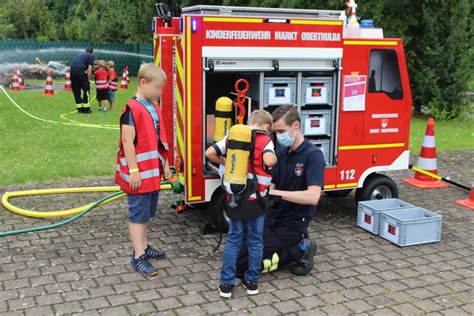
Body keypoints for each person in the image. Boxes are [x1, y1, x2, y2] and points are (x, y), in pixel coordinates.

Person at [236, 105, 325, 277]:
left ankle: (299, 250)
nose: (278, 136)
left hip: (292, 223)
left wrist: (276, 194)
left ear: (296, 126)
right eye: (275, 132)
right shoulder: (282, 152)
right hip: (274, 216)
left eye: (281, 131)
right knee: (238, 245)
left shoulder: (313, 155)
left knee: (242, 267)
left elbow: (314, 197)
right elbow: (273, 185)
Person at [206, 110, 277, 299]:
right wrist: (272, 159)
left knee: (234, 241)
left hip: (235, 198)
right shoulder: (265, 140)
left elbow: (209, 153)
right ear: (266, 127)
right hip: (257, 201)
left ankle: (226, 284)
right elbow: (269, 160)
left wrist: (226, 161)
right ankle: (252, 281)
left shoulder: (233, 136)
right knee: (255, 241)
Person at [115, 63, 172, 276]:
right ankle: (138, 256)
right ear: (143, 83)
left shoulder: (153, 106)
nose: (159, 93)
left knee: (147, 213)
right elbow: (128, 142)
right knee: (138, 214)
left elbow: (158, 140)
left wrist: (165, 164)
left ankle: (145, 246)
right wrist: (133, 170)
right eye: (157, 88)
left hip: (152, 175)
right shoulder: (131, 110)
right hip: (139, 175)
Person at [70, 47, 94, 113]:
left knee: (76, 90)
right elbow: (89, 68)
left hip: (72, 72)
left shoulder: (80, 55)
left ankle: (79, 109)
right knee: (86, 90)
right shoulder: (91, 56)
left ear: (85, 50)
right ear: (92, 52)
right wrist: (88, 80)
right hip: (81, 72)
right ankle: (86, 109)